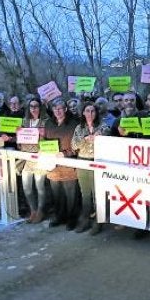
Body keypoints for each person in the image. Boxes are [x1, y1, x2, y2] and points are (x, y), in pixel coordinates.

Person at [71, 102, 111, 234]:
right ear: (83, 113)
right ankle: (85, 220)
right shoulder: (79, 127)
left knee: (97, 194)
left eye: (92, 111)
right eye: (87, 111)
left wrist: (100, 136)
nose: (90, 113)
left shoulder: (103, 126)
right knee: (85, 194)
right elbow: (74, 145)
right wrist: (85, 139)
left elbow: (109, 137)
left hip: (97, 162)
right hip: (82, 162)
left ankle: (98, 222)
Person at [44, 98, 79, 230]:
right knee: (56, 193)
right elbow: (44, 140)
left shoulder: (74, 123)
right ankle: (59, 216)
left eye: (60, 108)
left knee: (71, 194)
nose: (58, 111)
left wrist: (65, 153)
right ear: (52, 110)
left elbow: (77, 144)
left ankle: (72, 219)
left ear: (65, 109)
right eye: (55, 109)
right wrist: (43, 149)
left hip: (69, 163)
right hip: (52, 163)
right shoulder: (48, 123)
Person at [17, 97, 49, 223]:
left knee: (40, 186)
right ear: (28, 108)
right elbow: (19, 143)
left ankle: (40, 211)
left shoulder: (46, 121)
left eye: (36, 106)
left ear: (40, 107)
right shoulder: (24, 121)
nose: (34, 109)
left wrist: (43, 136)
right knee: (27, 187)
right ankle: (33, 210)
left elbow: (49, 139)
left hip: (40, 157)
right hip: (27, 158)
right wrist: (18, 136)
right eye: (31, 106)